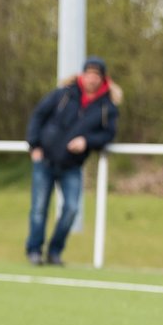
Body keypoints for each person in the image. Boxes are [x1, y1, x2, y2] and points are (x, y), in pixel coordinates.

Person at [25, 55, 121, 266]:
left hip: (72, 166)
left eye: (96, 75)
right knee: (39, 209)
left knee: (71, 210)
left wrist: (87, 141)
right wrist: (34, 145)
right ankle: (34, 251)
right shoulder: (63, 95)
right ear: (82, 75)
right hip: (45, 161)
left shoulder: (107, 107)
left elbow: (108, 135)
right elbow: (38, 115)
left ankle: (54, 252)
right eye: (89, 74)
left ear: (103, 78)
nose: (92, 79)